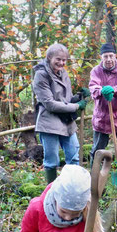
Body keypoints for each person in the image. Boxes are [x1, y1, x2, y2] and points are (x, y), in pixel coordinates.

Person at [33, 43, 89, 184]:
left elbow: (66, 99)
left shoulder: (63, 73)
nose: (61, 63)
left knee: (74, 156)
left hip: (67, 121)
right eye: (58, 59)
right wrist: (76, 106)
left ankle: (73, 187)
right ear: (49, 57)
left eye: (64, 60)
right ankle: (50, 191)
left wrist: (78, 97)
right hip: (49, 122)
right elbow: (50, 104)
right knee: (52, 161)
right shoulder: (41, 75)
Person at [89, 43, 117, 165]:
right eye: (105, 56)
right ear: (101, 57)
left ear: (115, 56)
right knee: (97, 150)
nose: (108, 59)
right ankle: (94, 175)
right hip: (102, 117)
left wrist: (114, 90)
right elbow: (93, 86)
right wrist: (101, 90)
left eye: (111, 56)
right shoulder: (96, 71)